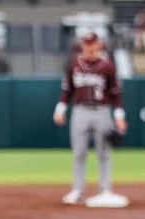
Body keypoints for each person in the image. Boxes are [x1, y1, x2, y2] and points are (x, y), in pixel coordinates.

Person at [53, 31, 129, 208]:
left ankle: (105, 191)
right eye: (86, 43)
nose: (89, 47)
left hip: (102, 111)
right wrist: (60, 110)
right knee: (79, 153)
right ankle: (77, 191)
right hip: (80, 111)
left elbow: (115, 94)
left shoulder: (107, 66)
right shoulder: (75, 65)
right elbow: (67, 91)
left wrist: (119, 117)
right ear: (83, 45)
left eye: (92, 43)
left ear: (98, 45)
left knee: (104, 153)